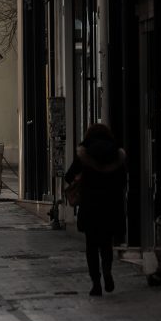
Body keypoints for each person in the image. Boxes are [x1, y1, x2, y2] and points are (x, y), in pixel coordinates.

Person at [64, 123, 127, 296]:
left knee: (91, 245)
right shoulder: (117, 153)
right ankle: (107, 270)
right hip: (110, 206)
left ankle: (96, 283)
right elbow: (123, 181)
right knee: (106, 243)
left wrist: (82, 178)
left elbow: (68, 176)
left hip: (90, 205)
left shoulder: (84, 153)